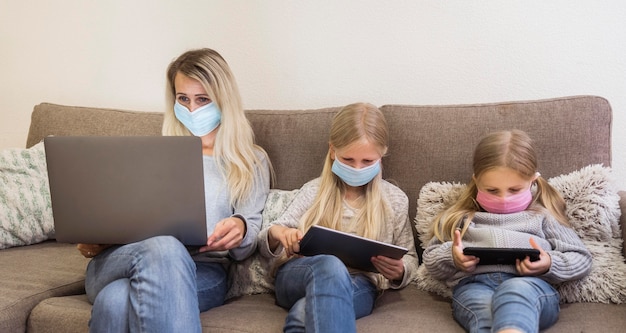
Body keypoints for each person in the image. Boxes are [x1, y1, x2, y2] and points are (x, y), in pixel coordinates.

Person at [76, 48, 272, 332]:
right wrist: (97, 233)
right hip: (124, 257)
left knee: (115, 301)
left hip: (203, 269)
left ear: (223, 100)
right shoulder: (153, 153)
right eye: (183, 99)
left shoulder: (250, 160)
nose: (192, 109)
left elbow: (249, 234)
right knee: (164, 246)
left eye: (203, 99)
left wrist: (240, 228)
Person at [257, 102, 419, 333]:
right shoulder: (313, 191)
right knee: (330, 265)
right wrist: (279, 233)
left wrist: (400, 271)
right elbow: (267, 238)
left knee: (304, 315)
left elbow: (410, 257)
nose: (357, 168)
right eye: (348, 160)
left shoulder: (395, 200)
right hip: (298, 275)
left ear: (382, 156)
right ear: (332, 151)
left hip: (359, 283)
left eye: (367, 161)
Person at [422, 129, 592, 333]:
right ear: (476, 182)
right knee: (484, 314)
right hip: (475, 286)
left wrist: (549, 264)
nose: (503, 199)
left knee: (516, 291)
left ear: (533, 181)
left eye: (514, 190)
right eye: (492, 191)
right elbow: (430, 259)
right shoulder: (460, 218)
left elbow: (581, 258)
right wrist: (453, 256)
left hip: (530, 286)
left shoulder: (543, 217)